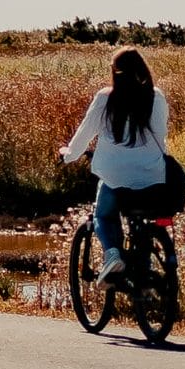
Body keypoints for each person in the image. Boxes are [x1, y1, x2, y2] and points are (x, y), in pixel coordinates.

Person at [58, 46, 169, 281]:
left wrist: (69, 154)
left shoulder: (106, 98)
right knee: (142, 221)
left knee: (103, 216)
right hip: (153, 176)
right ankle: (145, 274)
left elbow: (85, 133)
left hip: (116, 178)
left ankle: (112, 255)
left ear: (114, 72)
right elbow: (161, 135)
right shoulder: (156, 97)